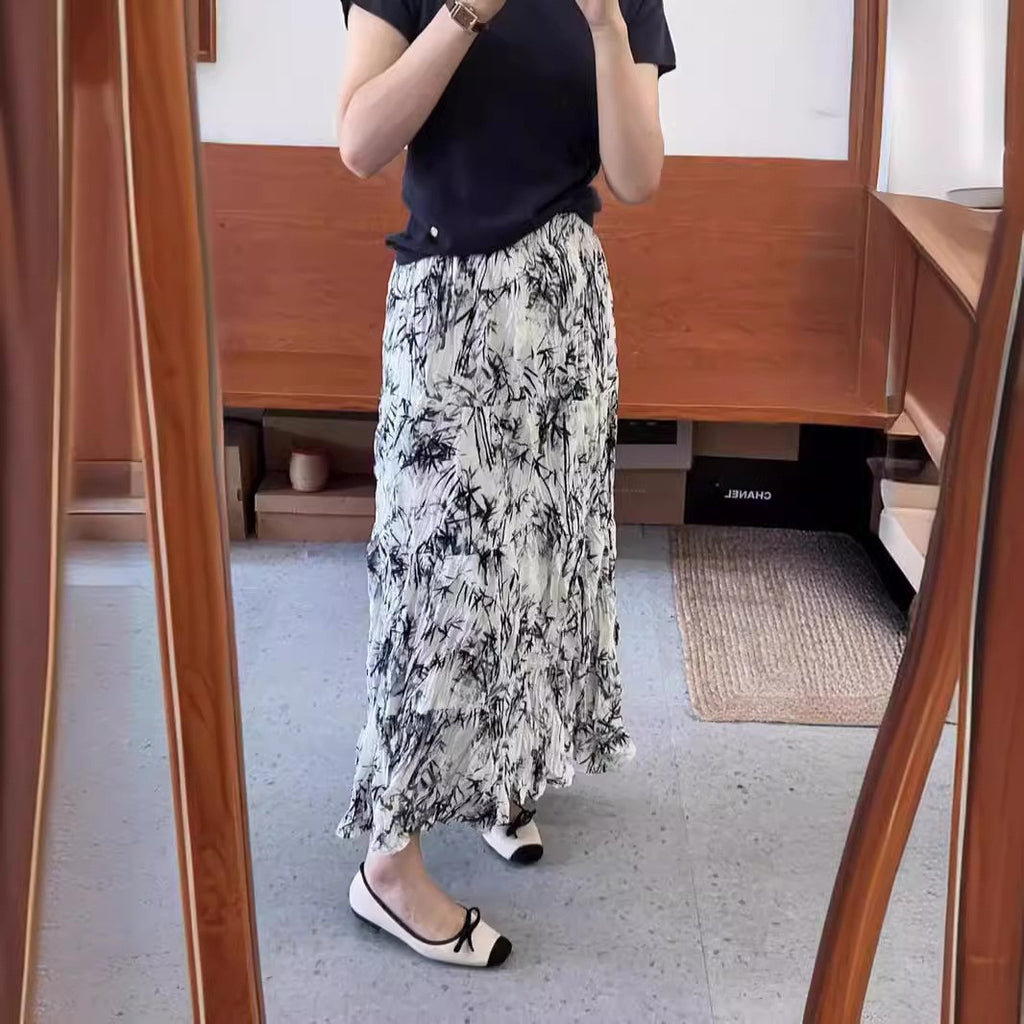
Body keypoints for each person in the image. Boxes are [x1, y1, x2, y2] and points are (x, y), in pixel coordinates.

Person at [335, 0, 675, 968]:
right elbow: (361, 143)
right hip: (450, 308)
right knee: (432, 585)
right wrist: (464, 14)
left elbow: (637, 177)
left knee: (545, 569)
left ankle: (504, 775)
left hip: (562, 309)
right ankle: (388, 865)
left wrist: (607, 27)